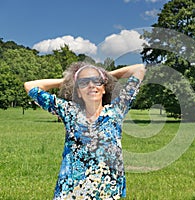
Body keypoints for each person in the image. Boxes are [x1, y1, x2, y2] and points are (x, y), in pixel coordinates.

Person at [24, 61, 146, 200]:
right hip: (71, 193)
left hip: (107, 193)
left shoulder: (117, 110)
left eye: (97, 82)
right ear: (78, 92)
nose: (91, 86)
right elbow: (30, 86)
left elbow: (139, 69)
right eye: (84, 83)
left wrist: (105, 75)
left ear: (104, 88)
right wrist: (70, 81)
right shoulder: (69, 111)